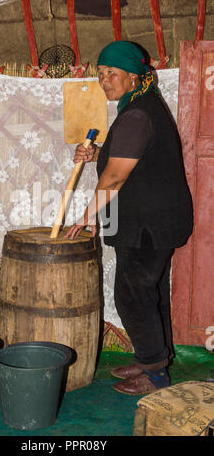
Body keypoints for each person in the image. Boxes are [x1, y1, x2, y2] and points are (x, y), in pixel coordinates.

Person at [65, 41, 193, 395]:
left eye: (113, 73)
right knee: (149, 291)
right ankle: (152, 357)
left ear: (134, 76)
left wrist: (87, 216)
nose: (105, 80)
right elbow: (132, 157)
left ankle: (154, 374)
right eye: (101, 73)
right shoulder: (139, 106)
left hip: (146, 222)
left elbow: (117, 177)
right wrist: (97, 154)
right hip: (155, 218)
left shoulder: (137, 113)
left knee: (132, 294)